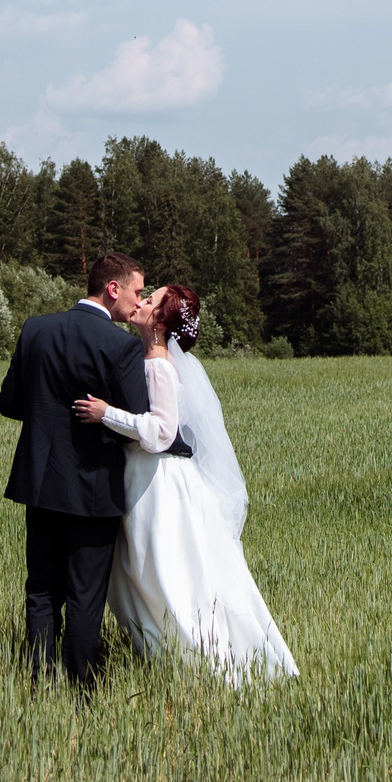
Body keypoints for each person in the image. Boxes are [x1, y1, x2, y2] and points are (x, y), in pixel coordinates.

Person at [72, 282, 298, 684]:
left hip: (158, 483)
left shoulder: (157, 363)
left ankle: (202, 665)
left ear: (160, 319)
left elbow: (161, 432)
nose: (140, 302)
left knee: (163, 575)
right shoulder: (147, 356)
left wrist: (107, 413)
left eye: (150, 299)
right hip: (148, 476)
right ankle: (176, 659)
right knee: (151, 575)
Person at [0, 252, 150, 688]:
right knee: (86, 595)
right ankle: (82, 688)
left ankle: (39, 682)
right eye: (137, 292)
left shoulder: (36, 329)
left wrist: (49, 416)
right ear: (112, 289)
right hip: (93, 489)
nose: (139, 302)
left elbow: (9, 403)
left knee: (42, 587)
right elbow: (134, 425)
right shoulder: (120, 346)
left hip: (41, 482)